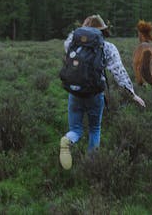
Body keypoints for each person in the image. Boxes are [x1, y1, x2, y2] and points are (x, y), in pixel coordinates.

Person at [59, 14, 145, 170]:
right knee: (94, 129)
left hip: (74, 92)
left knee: (76, 129)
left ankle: (68, 139)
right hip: (95, 94)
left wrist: (80, 30)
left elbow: (70, 41)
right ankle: (92, 163)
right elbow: (119, 72)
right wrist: (132, 94)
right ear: (102, 30)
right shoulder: (108, 48)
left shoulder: (71, 43)